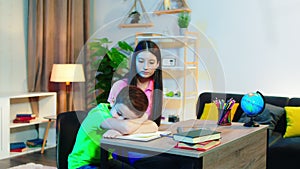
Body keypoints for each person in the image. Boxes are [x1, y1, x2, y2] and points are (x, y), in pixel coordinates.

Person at [68, 86, 158, 169]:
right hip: (81, 164)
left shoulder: (118, 120)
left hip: (106, 161)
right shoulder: (99, 114)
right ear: (113, 101)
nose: (121, 119)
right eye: (119, 113)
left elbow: (153, 126)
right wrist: (142, 118)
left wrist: (120, 132)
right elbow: (126, 128)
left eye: (127, 119)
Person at [108, 40, 163, 126]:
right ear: (134, 62)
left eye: (151, 63)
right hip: (120, 134)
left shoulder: (156, 89)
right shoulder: (120, 86)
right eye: (141, 61)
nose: (146, 67)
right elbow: (110, 118)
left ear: (157, 65)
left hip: (145, 134)